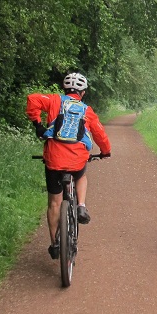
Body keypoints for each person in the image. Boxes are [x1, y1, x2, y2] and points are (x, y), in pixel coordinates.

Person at [26, 72, 111, 259]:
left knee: (54, 203)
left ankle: (55, 244)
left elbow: (32, 99)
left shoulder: (54, 101)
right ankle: (81, 205)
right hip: (77, 159)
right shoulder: (87, 110)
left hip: (54, 159)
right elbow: (99, 133)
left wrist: (37, 124)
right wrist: (105, 151)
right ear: (83, 92)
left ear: (64, 88)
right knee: (81, 175)